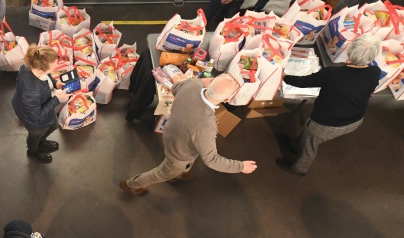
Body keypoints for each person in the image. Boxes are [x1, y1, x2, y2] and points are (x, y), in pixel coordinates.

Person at [119, 74, 257, 194]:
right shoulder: (206, 125)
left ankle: (179, 173)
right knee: (161, 173)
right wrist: (241, 166)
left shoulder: (193, 84)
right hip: (179, 153)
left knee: (183, 162)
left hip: (171, 133)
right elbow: (211, 160)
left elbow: (175, 88)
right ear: (227, 100)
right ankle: (132, 184)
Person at [277, 34, 382, 176]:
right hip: (355, 119)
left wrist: (284, 77)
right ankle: (297, 144)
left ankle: (299, 169)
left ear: (350, 50)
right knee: (308, 136)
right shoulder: (375, 72)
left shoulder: (332, 73)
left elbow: (303, 82)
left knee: (310, 146)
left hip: (326, 124)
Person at [11, 44, 70, 163]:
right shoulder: (31, 92)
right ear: (40, 70)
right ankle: (33, 150)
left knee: (53, 125)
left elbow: (47, 76)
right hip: (33, 118)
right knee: (36, 134)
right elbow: (37, 116)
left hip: (40, 105)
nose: (53, 71)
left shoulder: (29, 65)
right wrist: (56, 98)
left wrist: (55, 83)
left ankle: (42, 141)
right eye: (52, 69)